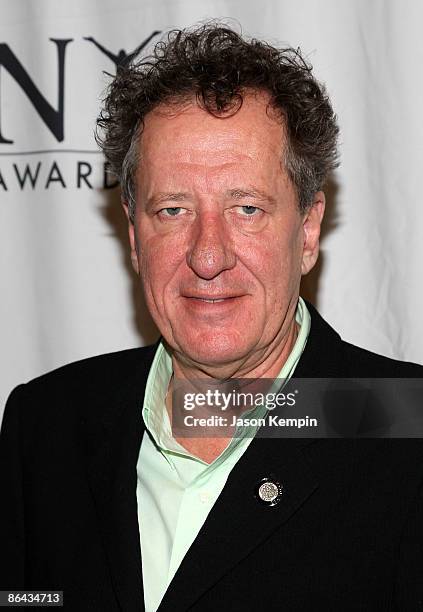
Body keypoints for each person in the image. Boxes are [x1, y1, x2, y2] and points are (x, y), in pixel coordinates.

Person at [1, 23, 422, 612]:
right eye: (172, 210)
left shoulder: (404, 427)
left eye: (246, 209)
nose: (207, 255)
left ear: (306, 230)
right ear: (134, 237)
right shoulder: (47, 426)